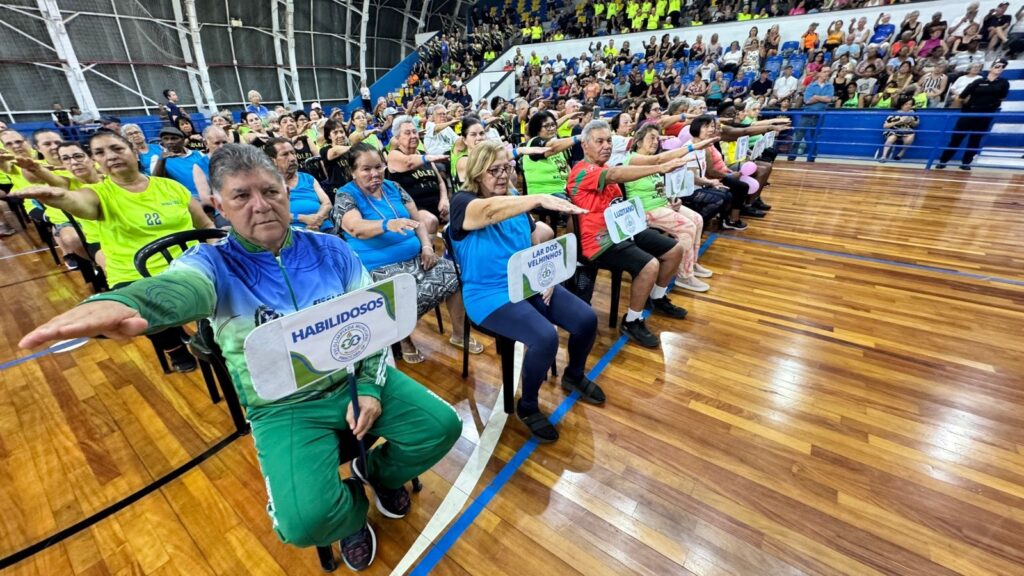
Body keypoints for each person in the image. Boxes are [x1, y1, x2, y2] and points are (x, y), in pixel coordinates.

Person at [17, 143, 461, 572]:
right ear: (218, 206)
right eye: (242, 196)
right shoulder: (212, 263)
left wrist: (366, 386)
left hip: (352, 377)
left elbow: (374, 325)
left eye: (270, 191)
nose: (261, 205)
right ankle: (349, 516)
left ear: (286, 194)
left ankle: (375, 471)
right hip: (283, 406)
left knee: (442, 428)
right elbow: (180, 288)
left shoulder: (331, 249)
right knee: (304, 523)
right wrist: (132, 303)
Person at [12, 131, 213, 372]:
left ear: (133, 151)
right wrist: (60, 198)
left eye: (117, 149)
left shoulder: (171, 187)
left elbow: (206, 226)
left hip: (190, 268)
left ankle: (211, 336)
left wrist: (218, 256)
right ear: (95, 160)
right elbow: (80, 203)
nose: (110, 156)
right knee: (144, 311)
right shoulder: (99, 193)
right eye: (100, 152)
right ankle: (174, 349)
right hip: (135, 275)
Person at [450, 140, 601, 443]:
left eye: (507, 167)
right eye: (494, 170)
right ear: (478, 173)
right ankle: (528, 405)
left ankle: (573, 375)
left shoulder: (515, 196)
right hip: (488, 294)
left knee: (586, 319)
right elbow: (489, 212)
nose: (503, 175)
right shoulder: (463, 201)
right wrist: (539, 198)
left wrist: (544, 273)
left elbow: (533, 238)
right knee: (545, 336)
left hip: (526, 281)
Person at [335, 142, 480, 363]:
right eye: (366, 169)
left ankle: (459, 334)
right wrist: (387, 225)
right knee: (404, 293)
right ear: (353, 172)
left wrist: (427, 247)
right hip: (377, 268)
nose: (374, 173)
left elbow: (418, 221)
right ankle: (403, 338)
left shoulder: (393, 188)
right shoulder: (346, 195)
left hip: (416, 257)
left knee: (455, 272)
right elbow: (355, 228)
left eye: (378, 167)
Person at [567, 120, 690, 348]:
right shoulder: (582, 171)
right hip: (600, 240)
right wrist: (658, 168)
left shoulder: (603, 167)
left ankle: (657, 297)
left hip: (623, 229)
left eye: (609, 141)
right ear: (585, 145)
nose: (606, 146)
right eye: (600, 141)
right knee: (650, 265)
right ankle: (632, 320)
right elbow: (615, 174)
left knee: (676, 249)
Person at [622, 124, 716, 293]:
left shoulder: (651, 160)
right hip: (645, 210)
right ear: (638, 142)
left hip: (661, 205)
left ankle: (691, 264)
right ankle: (684, 276)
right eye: (651, 138)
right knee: (687, 227)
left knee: (697, 219)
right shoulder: (633, 159)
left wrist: (673, 200)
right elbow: (658, 161)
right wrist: (692, 147)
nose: (655, 142)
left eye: (657, 138)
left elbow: (658, 187)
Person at [937, 59, 1010, 170]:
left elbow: (1002, 97)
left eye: (1002, 67)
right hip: (969, 113)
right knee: (956, 138)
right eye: (997, 66)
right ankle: (943, 160)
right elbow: (962, 95)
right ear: (991, 68)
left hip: (985, 115)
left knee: (975, 139)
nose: (999, 68)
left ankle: (966, 163)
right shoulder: (978, 81)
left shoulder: (1003, 83)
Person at [386, 116, 449, 235]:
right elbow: (408, 162)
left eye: (415, 132)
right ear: (398, 138)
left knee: (462, 213)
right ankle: (427, 252)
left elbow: (440, 182)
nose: (413, 136)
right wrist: (427, 158)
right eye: (407, 133)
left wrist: (444, 199)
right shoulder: (394, 155)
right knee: (430, 221)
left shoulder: (423, 154)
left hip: (438, 205)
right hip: (414, 209)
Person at [264, 137, 333, 231]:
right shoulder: (267, 185)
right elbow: (271, 214)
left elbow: (327, 203)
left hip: (324, 228)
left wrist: (317, 218)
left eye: (293, 153)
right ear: (272, 161)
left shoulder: (308, 178)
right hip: (293, 233)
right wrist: (303, 218)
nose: (292, 158)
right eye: (285, 154)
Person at [152, 127, 211, 208]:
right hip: (184, 199)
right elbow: (156, 181)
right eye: (166, 139)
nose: (170, 142)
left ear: (183, 140)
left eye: (174, 139)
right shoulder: (158, 158)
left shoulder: (198, 154)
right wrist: (161, 160)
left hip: (206, 194)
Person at [789, 67, 834, 162]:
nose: (827, 74)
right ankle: (791, 157)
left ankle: (811, 159)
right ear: (819, 73)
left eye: (828, 72)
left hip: (819, 115)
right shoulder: (811, 86)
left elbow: (829, 99)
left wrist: (816, 97)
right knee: (798, 136)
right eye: (825, 72)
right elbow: (807, 101)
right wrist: (822, 98)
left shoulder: (830, 86)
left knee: (815, 137)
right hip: (807, 114)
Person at [879, 96, 919, 162]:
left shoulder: (913, 113)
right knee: (892, 137)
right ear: (901, 105)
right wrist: (899, 121)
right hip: (894, 130)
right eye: (906, 104)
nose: (908, 106)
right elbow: (885, 126)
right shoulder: (895, 113)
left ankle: (901, 153)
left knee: (911, 136)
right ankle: (883, 156)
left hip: (906, 131)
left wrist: (911, 120)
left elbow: (916, 124)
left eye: (910, 104)